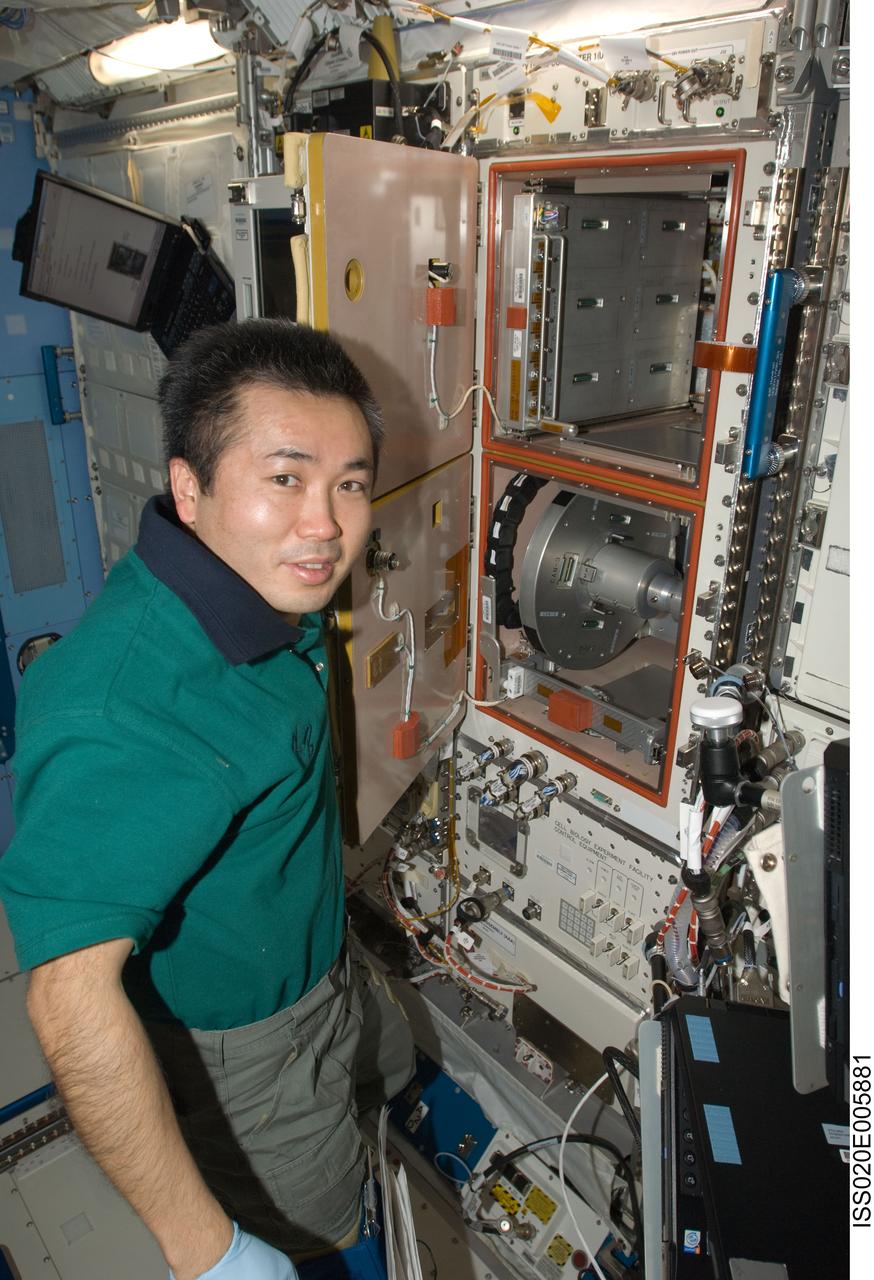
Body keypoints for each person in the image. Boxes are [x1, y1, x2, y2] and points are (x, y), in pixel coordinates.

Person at [0, 320, 414, 1280]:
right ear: (190, 487)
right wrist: (210, 1251)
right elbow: (67, 999)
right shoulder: (130, 709)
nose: (327, 526)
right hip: (250, 1053)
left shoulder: (252, 591)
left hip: (322, 963)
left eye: (349, 483)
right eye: (285, 478)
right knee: (329, 1238)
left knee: (390, 1062)